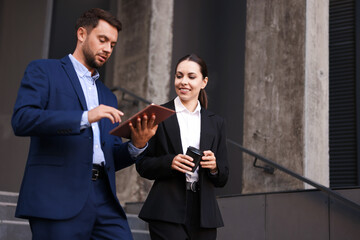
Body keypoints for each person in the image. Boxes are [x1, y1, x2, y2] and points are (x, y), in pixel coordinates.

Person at [11, 8, 157, 239]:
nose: (108, 49)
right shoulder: (44, 70)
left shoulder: (108, 96)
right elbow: (22, 120)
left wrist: (136, 145)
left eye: (113, 44)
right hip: (57, 197)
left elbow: (108, 156)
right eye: (102, 40)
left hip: (104, 198)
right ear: (81, 34)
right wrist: (85, 117)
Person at [136, 54, 229, 240]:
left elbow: (223, 177)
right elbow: (143, 165)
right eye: (179, 76)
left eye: (191, 77)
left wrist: (214, 167)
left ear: (204, 82)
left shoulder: (216, 123)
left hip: (205, 214)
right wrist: (170, 162)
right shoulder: (157, 115)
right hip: (166, 209)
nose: (183, 82)